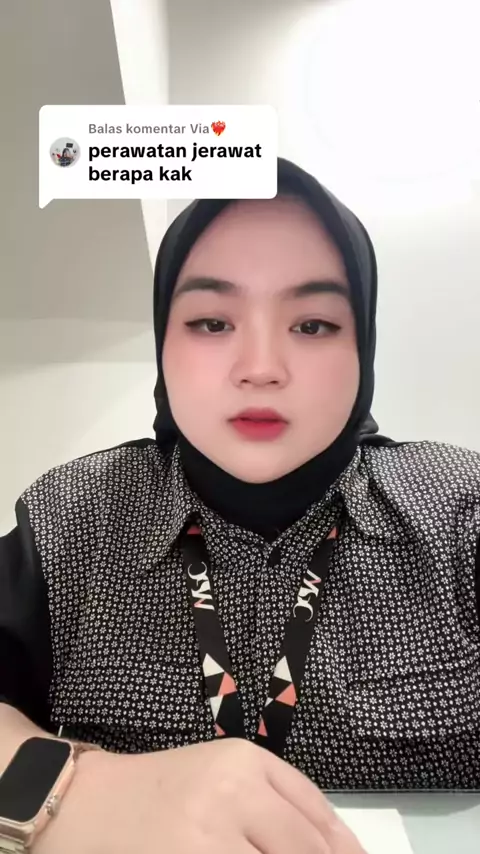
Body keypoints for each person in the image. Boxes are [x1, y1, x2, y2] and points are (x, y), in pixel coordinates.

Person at [0, 157, 479, 853]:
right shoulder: (74, 516)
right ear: (162, 343)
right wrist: (75, 789)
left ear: (364, 347)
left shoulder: (459, 511)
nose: (260, 367)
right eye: (211, 322)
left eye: (312, 325)